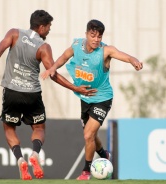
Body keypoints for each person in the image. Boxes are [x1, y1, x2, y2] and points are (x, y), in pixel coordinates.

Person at [0, 10, 97, 180]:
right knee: (39, 128)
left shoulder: (14, 33)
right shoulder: (43, 47)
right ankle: (34, 154)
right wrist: (75, 88)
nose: (49, 30)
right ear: (41, 27)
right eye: (48, 27)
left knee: (9, 127)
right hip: (32, 94)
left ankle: (19, 159)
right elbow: (53, 74)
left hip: (11, 92)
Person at [41, 19, 143, 180]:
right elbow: (63, 57)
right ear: (86, 34)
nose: (96, 39)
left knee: (88, 135)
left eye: (99, 36)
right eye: (93, 35)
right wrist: (52, 68)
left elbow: (123, 55)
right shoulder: (77, 45)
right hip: (85, 98)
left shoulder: (105, 51)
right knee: (92, 135)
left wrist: (133, 60)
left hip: (102, 98)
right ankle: (104, 154)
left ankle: (86, 172)